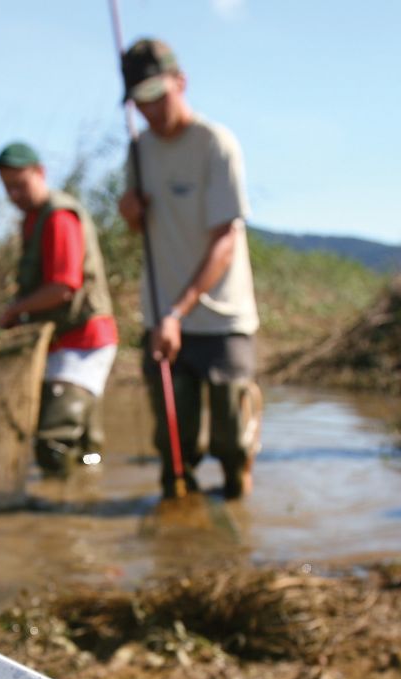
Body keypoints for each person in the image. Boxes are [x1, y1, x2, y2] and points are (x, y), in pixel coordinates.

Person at [118, 37, 262, 500]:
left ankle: (238, 504)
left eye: (158, 96)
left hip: (221, 321)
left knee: (232, 447)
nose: (152, 111)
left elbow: (225, 241)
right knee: (174, 455)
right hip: (162, 323)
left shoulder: (215, 144)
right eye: (140, 102)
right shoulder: (139, 153)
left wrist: (177, 314)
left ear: (181, 83)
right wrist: (131, 214)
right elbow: (139, 232)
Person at [0, 141, 120, 475]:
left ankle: (60, 517)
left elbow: (64, 286)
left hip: (83, 342)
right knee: (85, 442)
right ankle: (89, 486)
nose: (14, 194)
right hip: (63, 341)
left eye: (20, 184)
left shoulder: (59, 217)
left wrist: (15, 310)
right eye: (8, 187)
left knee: (53, 442)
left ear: (40, 173)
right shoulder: (32, 220)